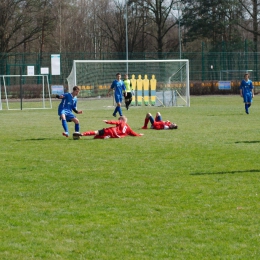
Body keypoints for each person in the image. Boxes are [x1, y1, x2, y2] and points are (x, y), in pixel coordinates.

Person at [73, 116, 143, 139]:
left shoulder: (121, 122)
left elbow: (115, 122)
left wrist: (108, 121)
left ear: (121, 120)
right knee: (95, 137)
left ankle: (82, 134)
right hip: (114, 136)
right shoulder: (129, 129)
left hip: (111, 131)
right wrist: (139, 134)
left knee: (96, 132)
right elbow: (134, 134)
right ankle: (102, 137)